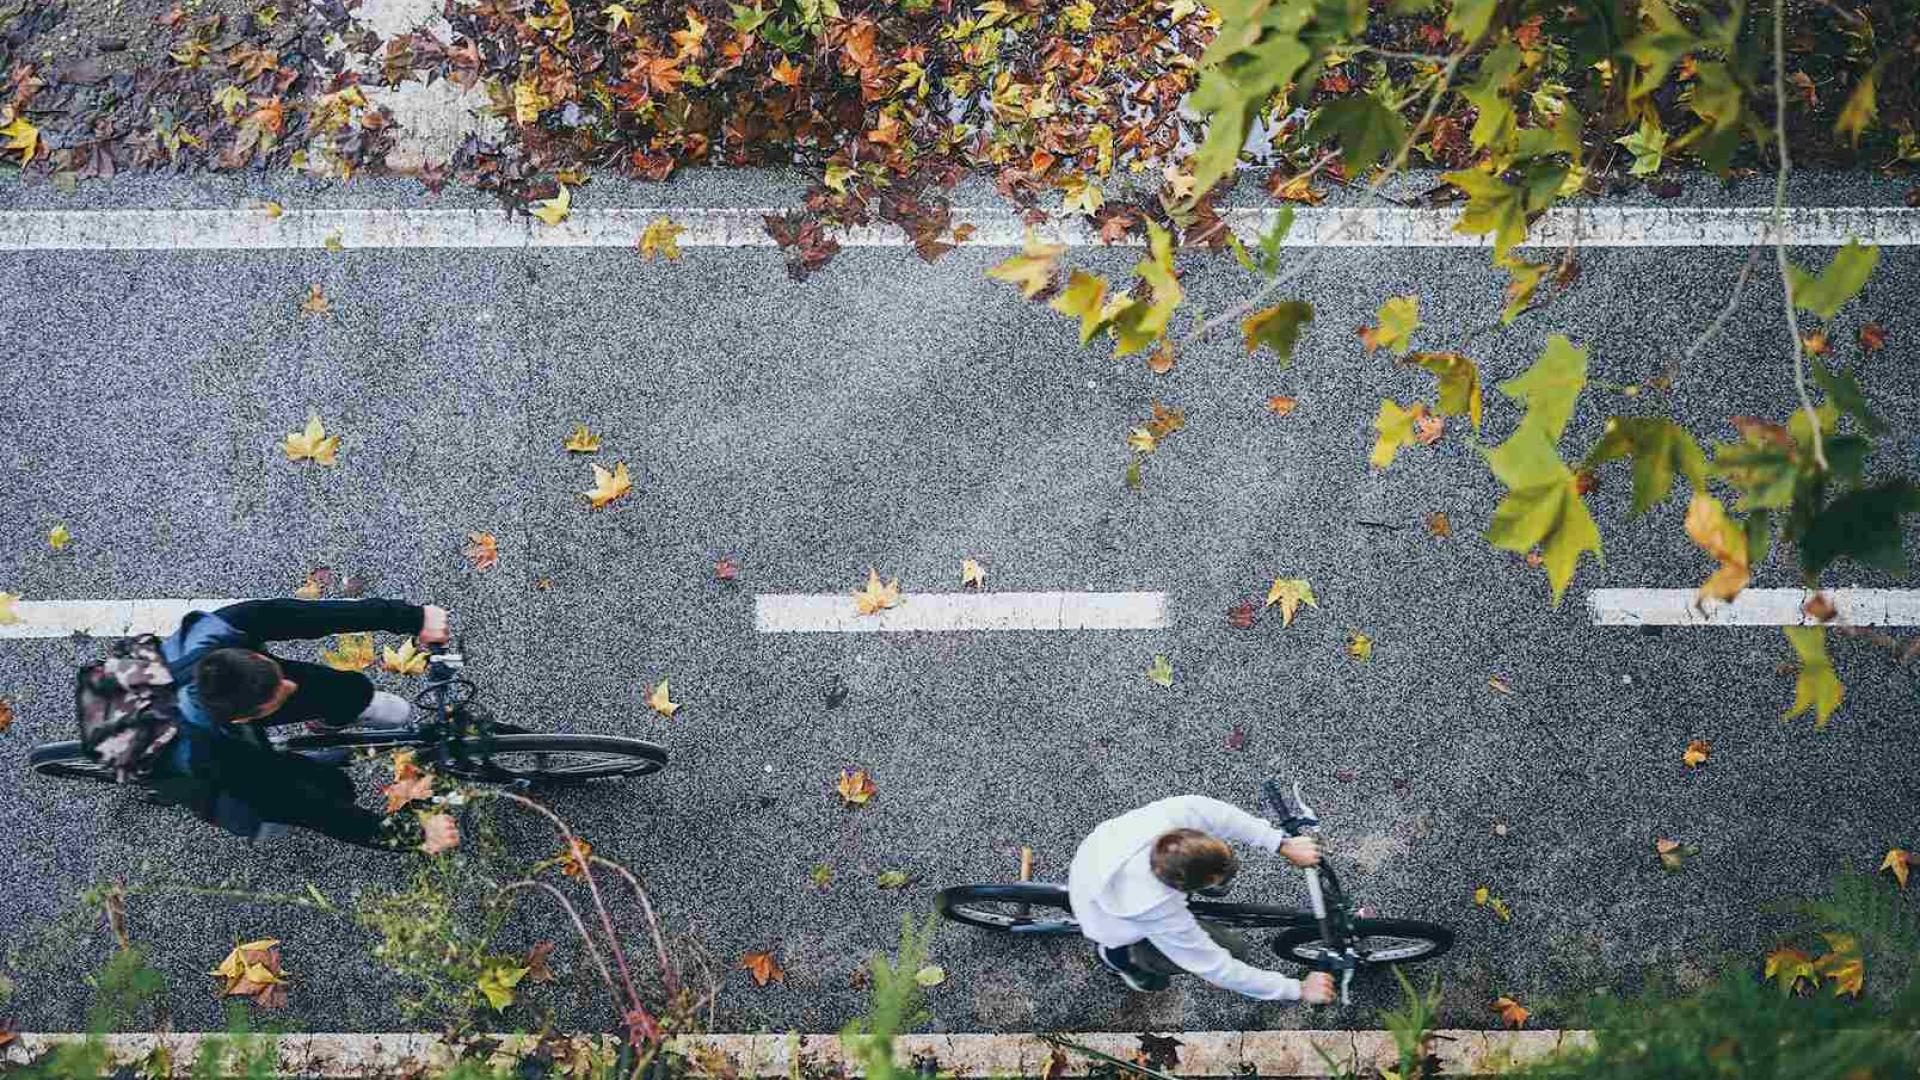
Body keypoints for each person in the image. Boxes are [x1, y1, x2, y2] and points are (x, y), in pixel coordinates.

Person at [147, 597, 450, 848]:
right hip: (196, 755)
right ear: (241, 720)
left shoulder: (221, 630)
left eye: (276, 676)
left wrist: (412, 617)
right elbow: (317, 812)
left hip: (199, 699)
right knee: (329, 790)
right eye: (277, 696)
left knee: (344, 689)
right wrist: (417, 836)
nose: (290, 687)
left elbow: (306, 616)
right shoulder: (212, 756)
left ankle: (330, 718)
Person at [1067, 794, 1336, 1002]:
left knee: (1225, 865)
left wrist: (1281, 843)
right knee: (1233, 950)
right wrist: (1298, 989)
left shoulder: (1173, 822)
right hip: (1112, 921)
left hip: (1098, 853)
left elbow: (1218, 815)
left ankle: (1210, 878)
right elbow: (1218, 968)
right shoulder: (1156, 909)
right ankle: (1120, 961)